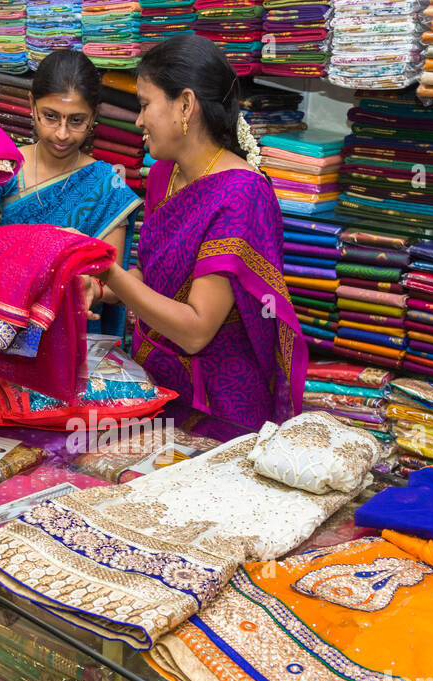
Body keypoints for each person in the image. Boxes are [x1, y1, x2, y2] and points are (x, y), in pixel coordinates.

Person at [99, 35, 306, 437]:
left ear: (186, 105)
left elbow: (196, 330)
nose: (138, 120)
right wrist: (100, 287)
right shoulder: (164, 172)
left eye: (145, 105)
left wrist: (112, 274)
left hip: (218, 409)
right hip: (153, 386)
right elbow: (150, 278)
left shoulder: (242, 194)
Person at [0, 49, 141, 335]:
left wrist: (92, 288)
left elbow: (115, 286)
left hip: (70, 335)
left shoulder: (108, 184)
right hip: (3, 327)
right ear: (32, 105)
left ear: (94, 115)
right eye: (50, 116)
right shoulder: (7, 166)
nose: (61, 133)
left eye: (76, 120)